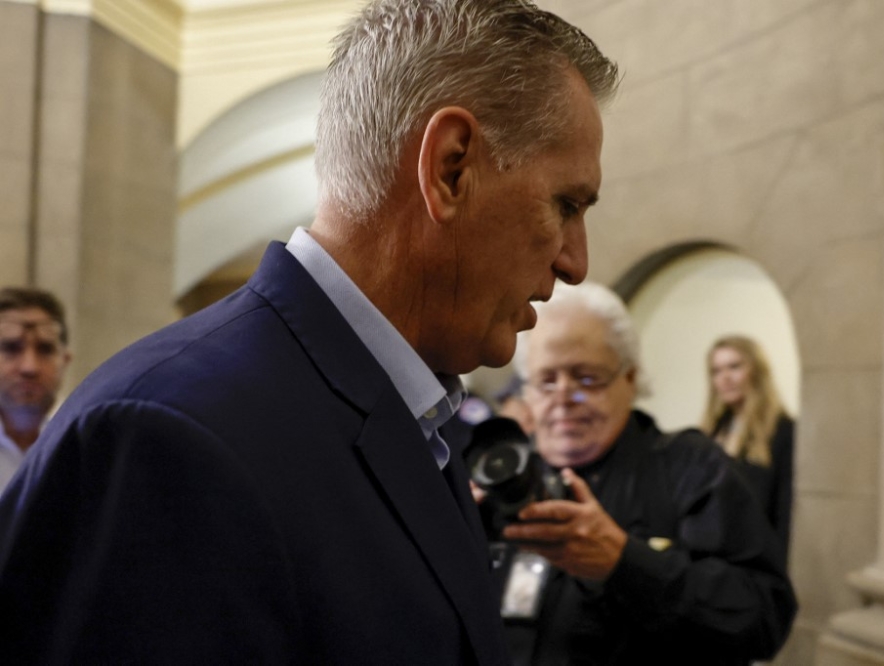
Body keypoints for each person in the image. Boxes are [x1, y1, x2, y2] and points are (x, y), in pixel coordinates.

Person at [0, 1, 619, 663]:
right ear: (451, 168)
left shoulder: (410, 416)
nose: (575, 263)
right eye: (565, 204)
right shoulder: (168, 438)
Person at [485, 282, 796, 665]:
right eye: (546, 381)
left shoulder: (692, 468)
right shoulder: (506, 480)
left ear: (630, 378)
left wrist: (625, 562)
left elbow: (763, 618)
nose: (563, 397)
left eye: (587, 378)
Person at [701, 335, 795, 567]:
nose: (725, 377)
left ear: (756, 371)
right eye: (716, 370)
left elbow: (784, 513)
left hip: (755, 563)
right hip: (710, 562)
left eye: (734, 367)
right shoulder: (711, 431)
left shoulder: (783, 430)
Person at [0, 288, 71, 492]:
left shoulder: (86, 442)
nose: (29, 367)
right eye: (12, 348)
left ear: (65, 360)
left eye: (45, 349)